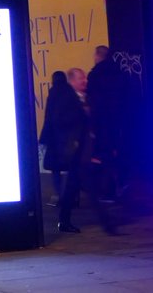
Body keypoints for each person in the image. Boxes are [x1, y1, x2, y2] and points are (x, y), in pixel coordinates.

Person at [57, 68, 116, 234]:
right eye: (82, 79)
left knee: (71, 190)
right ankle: (107, 225)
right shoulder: (66, 98)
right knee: (90, 189)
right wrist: (82, 114)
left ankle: (64, 221)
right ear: (72, 81)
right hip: (76, 151)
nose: (85, 81)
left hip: (84, 151)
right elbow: (62, 121)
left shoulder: (86, 97)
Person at [88, 45, 125, 199]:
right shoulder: (119, 72)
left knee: (102, 156)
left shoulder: (95, 75)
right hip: (118, 121)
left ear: (98, 56)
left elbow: (92, 100)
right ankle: (120, 185)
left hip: (101, 122)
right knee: (117, 153)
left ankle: (106, 191)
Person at [39, 71, 76, 203]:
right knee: (71, 167)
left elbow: (48, 117)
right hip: (69, 137)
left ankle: (60, 195)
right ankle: (72, 196)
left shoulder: (53, 93)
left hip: (55, 137)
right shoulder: (70, 92)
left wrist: (43, 138)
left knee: (55, 169)